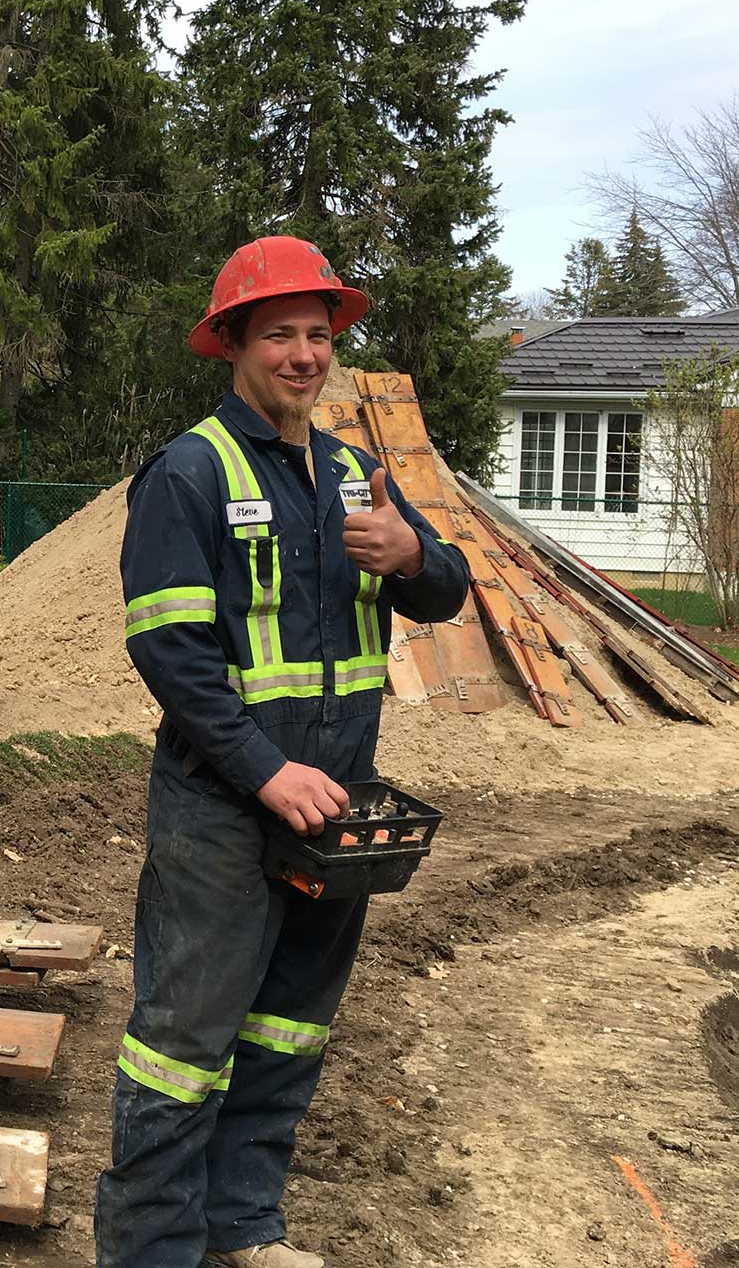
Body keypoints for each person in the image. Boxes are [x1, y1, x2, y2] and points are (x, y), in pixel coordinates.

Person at [94, 236, 468, 1268]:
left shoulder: (352, 473)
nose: (303, 355)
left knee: (288, 1028)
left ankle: (242, 1230)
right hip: (222, 806)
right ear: (232, 344)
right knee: (184, 1044)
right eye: (278, 335)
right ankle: (152, 1251)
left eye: (317, 335)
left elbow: (444, 592)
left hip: (333, 805)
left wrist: (414, 554)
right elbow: (171, 653)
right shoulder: (188, 473)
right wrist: (263, 769)